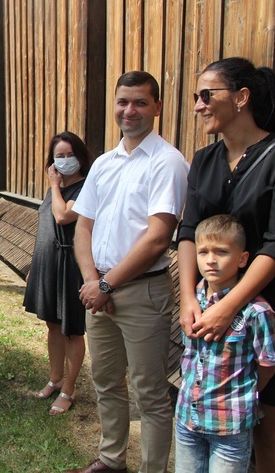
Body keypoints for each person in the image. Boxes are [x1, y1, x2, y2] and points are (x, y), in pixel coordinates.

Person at [176, 57, 275, 473]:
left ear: (241, 98)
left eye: (206, 95)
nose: (197, 105)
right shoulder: (204, 159)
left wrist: (229, 306)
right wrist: (187, 300)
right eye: (195, 97)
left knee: (269, 424)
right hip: (206, 309)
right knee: (215, 423)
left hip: (264, 312)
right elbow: (188, 230)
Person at [70, 71, 189, 473]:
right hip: (98, 290)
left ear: (157, 107)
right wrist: (92, 281)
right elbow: (82, 226)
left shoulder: (168, 161)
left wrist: (105, 284)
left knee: (149, 392)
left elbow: (158, 238)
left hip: (141, 292)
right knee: (106, 382)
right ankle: (110, 460)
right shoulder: (104, 163)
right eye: (123, 102)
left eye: (140, 102)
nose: (130, 110)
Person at [175, 215, 275, 473]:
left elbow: (267, 365)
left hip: (229, 426)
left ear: (243, 258)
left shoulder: (256, 312)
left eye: (221, 252)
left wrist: (239, 397)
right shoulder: (192, 303)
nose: (210, 259)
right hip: (187, 419)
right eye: (203, 252)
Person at [23, 132, 93, 415]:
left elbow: (63, 216)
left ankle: (69, 389)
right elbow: (46, 226)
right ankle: (55, 378)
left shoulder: (86, 187)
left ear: (80, 156)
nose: (64, 161)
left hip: (72, 264)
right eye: (58, 156)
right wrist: (34, 265)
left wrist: (54, 184)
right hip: (48, 262)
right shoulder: (55, 189)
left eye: (68, 155)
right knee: (52, 324)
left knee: (72, 331)